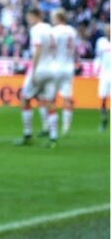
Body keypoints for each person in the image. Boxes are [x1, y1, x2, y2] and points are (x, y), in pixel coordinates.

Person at [15, 8, 58, 147]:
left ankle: (27, 135)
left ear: (36, 16)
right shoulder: (50, 29)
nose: (28, 20)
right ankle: (53, 138)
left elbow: (37, 49)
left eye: (30, 17)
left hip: (40, 69)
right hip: (52, 69)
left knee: (25, 98)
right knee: (50, 102)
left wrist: (33, 71)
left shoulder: (36, 29)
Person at [51, 8, 78, 136]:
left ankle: (52, 126)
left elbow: (52, 48)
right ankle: (66, 127)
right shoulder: (72, 31)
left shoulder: (55, 31)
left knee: (51, 97)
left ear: (58, 18)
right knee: (67, 96)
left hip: (56, 66)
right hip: (69, 67)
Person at [94, 24, 110, 131]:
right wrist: (96, 68)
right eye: (107, 31)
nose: (108, 33)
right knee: (103, 97)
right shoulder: (101, 42)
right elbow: (98, 56)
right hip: (104, 73)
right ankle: (104, 119)